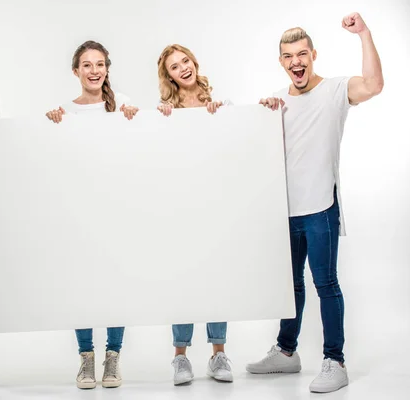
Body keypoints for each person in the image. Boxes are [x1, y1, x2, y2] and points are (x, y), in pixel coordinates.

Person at [247, 12, 383, 394]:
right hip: (283, 210)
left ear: (313, 55)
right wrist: (260, 117)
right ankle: (287, 352)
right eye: (289, 56)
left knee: (325, 283)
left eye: (302, 54)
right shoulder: (275, 101)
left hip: (321, 206)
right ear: (281, 62)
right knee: (289, 287)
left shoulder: (336, 90)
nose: (296, 62)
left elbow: (373, 84)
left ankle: (334, 361)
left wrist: (364, 34)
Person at [45, 40, 138, 390]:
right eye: (87, 65)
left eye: (100, 64)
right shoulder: (64, 111)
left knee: (115, 282)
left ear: (107, 69)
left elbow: (140, 148)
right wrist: (52, 125)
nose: (94, 70)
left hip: (117, 208)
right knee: (81, 282)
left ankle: (113, 356)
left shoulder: (123, 105)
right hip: (79, 211)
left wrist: (135, 119)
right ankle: (86, 357)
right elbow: (56, 159)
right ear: (76, 71)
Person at [156, 43, 233, 386]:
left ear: (194, 62)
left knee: (217, 276)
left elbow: (238, 143)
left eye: (185, 61)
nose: (182, 68)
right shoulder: (165, 111)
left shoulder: (220, 103)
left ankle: (218, 354)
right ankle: (181, 358)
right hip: (180, 206)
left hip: (216, 203)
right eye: (174, 67)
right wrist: (160, 122)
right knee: (184, 279)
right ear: (169, 76)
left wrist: (223, 115)